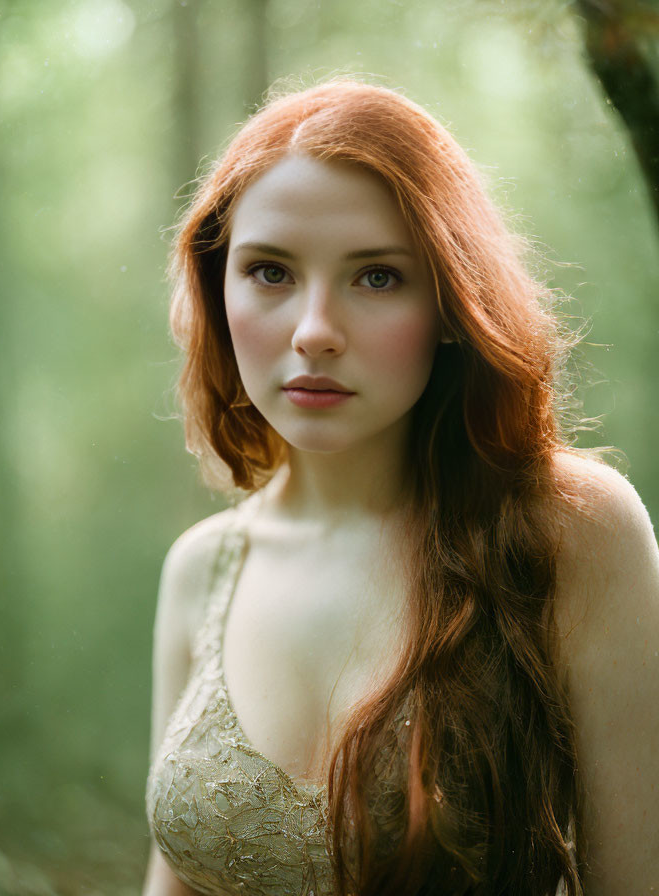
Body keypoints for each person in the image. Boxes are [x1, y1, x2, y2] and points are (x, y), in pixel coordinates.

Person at [142, 79, 659, 896]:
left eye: (377, 277)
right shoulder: (202, 569)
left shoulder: (573, 532)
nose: (314, 330)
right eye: (270, 272)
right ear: (218, 290)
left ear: (453, 302)